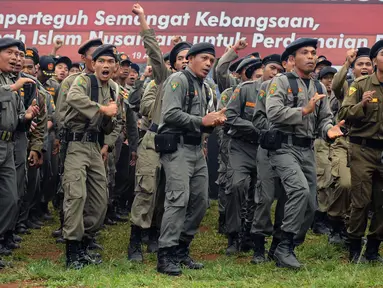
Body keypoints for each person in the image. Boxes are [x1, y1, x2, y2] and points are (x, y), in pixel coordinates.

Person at [265, 38, 344, 269]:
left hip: (306, 148)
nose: (311, 56)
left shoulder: (319, 87)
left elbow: (324, 119)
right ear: (292, 59)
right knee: (298, 190)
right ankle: (284, 249)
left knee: (310, 204)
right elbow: (273, 112)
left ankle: (282, 243)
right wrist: (303, 110)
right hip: (283, 147)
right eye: (305, 53)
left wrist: (330, 130)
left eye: (313, 53)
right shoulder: (280, 81)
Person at [126, 3, 192, 264]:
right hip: (154, 141)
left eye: (190, 56)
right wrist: (143, 18)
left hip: (180, 146)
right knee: (147, 189)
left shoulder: (199, 87)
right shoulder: (166, 78)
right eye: (181, 57)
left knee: (169, 194)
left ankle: (156, 235)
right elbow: (152, 48)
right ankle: (135, 241)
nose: (186, 60)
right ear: (173, 64)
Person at [156, 42, 226, 276]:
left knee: (201, 201)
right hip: (177, 149)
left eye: (212, 61)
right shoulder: (179, 80)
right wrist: (202, 121)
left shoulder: (206, 87)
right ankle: (166, 254)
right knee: (178, 200)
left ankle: (181, 249)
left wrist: (214, 122)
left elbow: (205, 120)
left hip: (197, 149)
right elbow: (170, 114)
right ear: (190, 59)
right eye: (204, 58)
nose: (208, 64)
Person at [62, 44, 119, 269]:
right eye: (102, 61)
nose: (106, 65)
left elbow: (109, 126)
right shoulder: (83, 81)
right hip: (76, 144)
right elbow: (73, 98)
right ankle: (72, 252)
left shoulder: (113, 89)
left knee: (99, 199)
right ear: (93, 64)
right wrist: (102, 109)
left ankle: (85, 243)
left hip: (95, 145)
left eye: (110, 62)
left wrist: (111, 115)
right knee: (75, 196)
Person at [338, 39, 383, 263]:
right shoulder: (361, 85)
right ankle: (355, 248)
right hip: (362, 150)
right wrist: (361, 105)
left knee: (381, 202)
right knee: (362, 201)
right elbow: (344, 113)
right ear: (375, 60)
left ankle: (374, 249)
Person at [0, 37, 39, 266]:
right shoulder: (10, 84)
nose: (16, 57)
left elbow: (13, 118)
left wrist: (26, 118)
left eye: (18, 54)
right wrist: (11, 88)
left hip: (8, 146)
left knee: (11, 198)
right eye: (10, 53)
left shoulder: (11, 80)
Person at [250, 50, 292, 264]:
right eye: (272, 68)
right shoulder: (264, 88)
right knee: (265, 197)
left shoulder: (297, 87)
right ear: (263, 69)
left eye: (279, 69)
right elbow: (257, 118)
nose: (276, 73)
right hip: (268, 148)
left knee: (286, 198)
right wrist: (273, 130)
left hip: (292, 151)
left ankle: (277, 245)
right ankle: (258, 246)